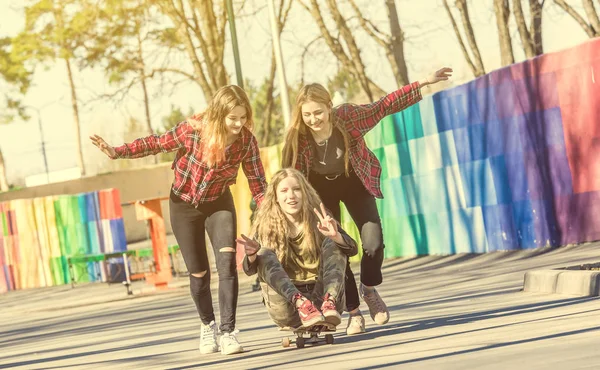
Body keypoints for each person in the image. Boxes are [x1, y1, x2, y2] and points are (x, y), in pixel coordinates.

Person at [90, 85, 267, 355]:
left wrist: (274, 213)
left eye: (243, 118)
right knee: (199, 274)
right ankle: (208, 325)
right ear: (219, 115)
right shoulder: (192, 131)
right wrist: (117, 152)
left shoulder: (246, 142)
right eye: (233, 118)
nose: (238, 124)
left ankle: (228, 331)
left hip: (219, 203)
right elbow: (156, 143)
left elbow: (258, 184)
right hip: (183, 206)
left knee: (227, 264)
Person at [281, 68, 453, 335]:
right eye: (307, 115)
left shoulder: (347, 117)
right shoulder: (297, 138)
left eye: (318, 112)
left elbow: (383, 106)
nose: (313, 119)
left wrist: (423, 83)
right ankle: (353, 311)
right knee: (337, 247)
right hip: (319, 192)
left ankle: (369, 289)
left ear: (329, 107)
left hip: (353, 180)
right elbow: (288, 175)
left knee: (373, 243)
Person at [237, 168, 357, 329]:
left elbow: (352, 250)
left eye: (297, 189)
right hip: (288, 305)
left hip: (323, 301)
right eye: (284, 191)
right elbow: (249, 270)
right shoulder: (265, 225)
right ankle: (302, 304)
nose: (291, 196)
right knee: (263, 253)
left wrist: (336, 236)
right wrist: (252, 255)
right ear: (276, 198)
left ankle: (329, 301)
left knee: (333, 243)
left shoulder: (319, 218)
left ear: (305, 192)